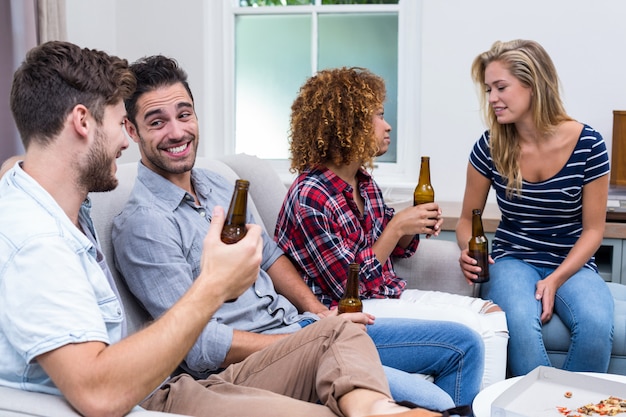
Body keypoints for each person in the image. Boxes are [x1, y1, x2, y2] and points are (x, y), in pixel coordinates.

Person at [0, 40, 446, 417]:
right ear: (82, 122)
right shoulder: (40, 243)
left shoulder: (54, 203)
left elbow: (23, 169)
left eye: (184, 114)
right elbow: (97, 393)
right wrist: (215, 284)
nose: (123, 143)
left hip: (176, 376)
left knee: (343, 336)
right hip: (165, 389)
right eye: (122, 125)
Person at [112, 55, 483, 410]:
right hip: (244, 365)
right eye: (157, 121)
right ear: (131, 130)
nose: (177, 131)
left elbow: (272, 257)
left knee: (465, 345)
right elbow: (199, 347)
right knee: (433, 403)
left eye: (184, 114)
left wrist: (319, 313)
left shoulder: (218, 184)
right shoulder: (145, 223)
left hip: (297, 326)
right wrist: (303, 338)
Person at [274, 67, 509, 388]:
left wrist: (413, 224)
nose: (388, 126)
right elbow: (348, 287)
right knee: (472, 331)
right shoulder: (311, 196)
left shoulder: (362, 181)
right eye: (379, 116)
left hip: (383, 293)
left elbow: (398, 248)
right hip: (344, 309)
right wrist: (398, 226)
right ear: (349, 125)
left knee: (493, 314)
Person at [455, 39, 614, 377]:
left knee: (597, 328)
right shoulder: (490, 146)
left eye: (501, 87)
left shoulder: (589, 144)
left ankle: (573, 407)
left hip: (571, 261)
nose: (492, 98)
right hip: (513, 259)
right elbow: (468, 220)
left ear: (533, 85)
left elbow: (594, 230)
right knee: (520, 332)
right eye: (488, 89)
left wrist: (556, 278)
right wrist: (467, 250)